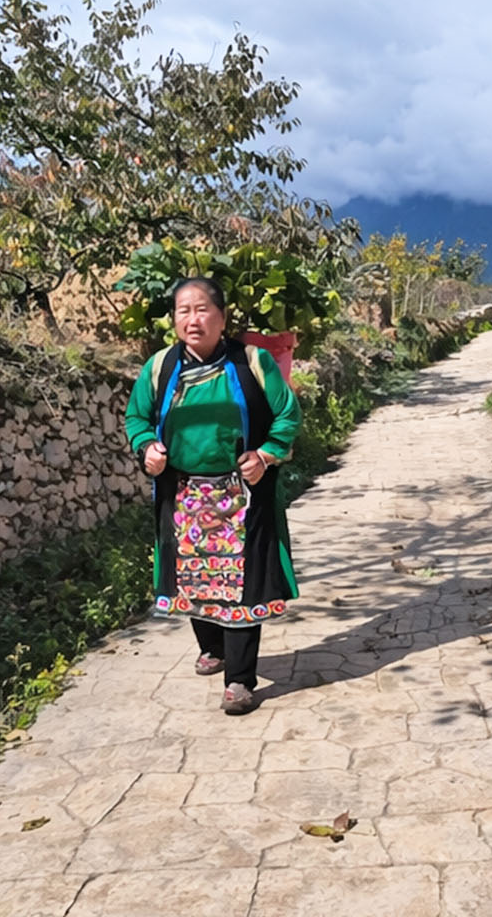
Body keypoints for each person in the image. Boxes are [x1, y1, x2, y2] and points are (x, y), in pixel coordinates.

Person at [123, 277, 301, 715]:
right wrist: (147, 447)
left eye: (202, 309)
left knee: (241, 585)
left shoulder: (252, 362)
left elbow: (287, 414)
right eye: (183, 310)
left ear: (222, 317)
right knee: (196, 579)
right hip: (184, 495)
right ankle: (213, 646)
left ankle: (239, 680)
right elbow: (136, 417)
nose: (192, 319)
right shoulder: (160, 367)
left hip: (242, 494)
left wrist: (265, 454)